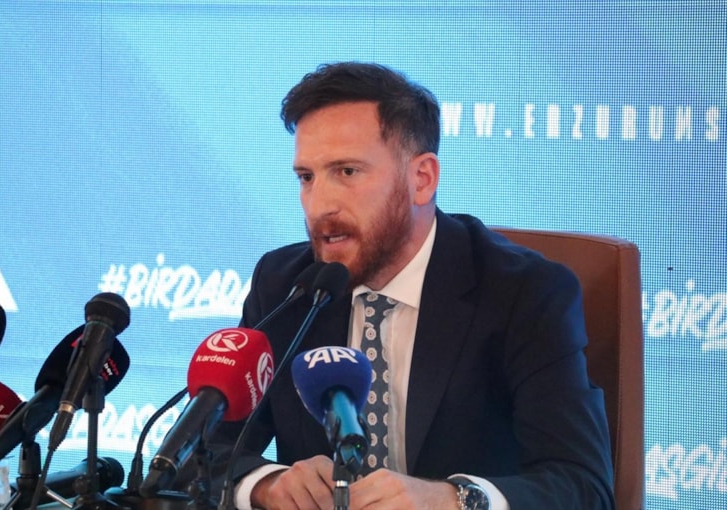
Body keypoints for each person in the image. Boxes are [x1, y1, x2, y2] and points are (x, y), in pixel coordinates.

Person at [211, 62, 614, 509]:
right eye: (307, 177)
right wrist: (266, 483)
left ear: (422, 179)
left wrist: (453, 499)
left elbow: (582, 486)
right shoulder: (287, 287)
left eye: (347, 172)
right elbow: (201, 450)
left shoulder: (525, 293)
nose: (320, 204)